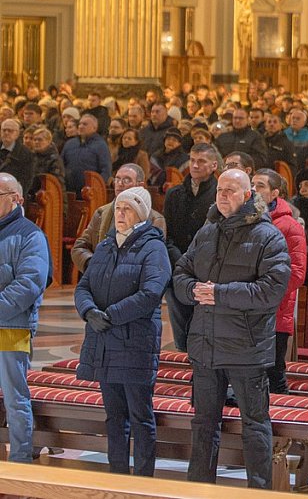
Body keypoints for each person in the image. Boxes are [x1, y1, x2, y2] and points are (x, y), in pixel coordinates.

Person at [173, 169, 291, 489]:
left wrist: (220, 294)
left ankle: (259, 490)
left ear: (248, 195)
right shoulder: (207, 231)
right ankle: (198, 489)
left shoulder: (268, 236)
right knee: (203, 423)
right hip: (206, 344)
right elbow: (180, 273)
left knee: (254, 423)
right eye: (220, 190)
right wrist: (193, 290)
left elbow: (271, 291)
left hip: (245, 347)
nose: (223, 195)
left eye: (230, 190)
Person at [74, 187, 170, 476]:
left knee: (140, 417)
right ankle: (116, 479)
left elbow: (151, 293)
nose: (120, 213)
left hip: (134, 344)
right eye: (117, 208)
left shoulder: (153, 247)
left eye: (127, 209)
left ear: (141, 213)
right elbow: (83, 286)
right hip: (104, 342)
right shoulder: (104, 246)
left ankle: (142, 483)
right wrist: (89, 311)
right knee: (114, 418)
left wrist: (111, 315)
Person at [0, 173, 50, 462]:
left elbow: (30, 283)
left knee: (14, 396)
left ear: (15, 199)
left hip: (13, 327)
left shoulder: (30, 234)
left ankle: (20, 461)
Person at [252, 169, 307, 394]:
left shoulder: (289, 226)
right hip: (246, 310)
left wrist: (263, 293)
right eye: (252, 184)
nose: (254, 189)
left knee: (273, 372)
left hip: (274, 311)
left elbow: (296, 273)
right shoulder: (244, 220)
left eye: (261, 186)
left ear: (275, 193)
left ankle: (279, 422)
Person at [163, 144, 219, 351]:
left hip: (208, 265)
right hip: (179, 263)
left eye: (201, 161)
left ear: (214, 165)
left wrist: (195, 263)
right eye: (192, 160)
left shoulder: (219, 194)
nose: (195, 165)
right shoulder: (174, 194)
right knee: (173, 293)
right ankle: (182, 348)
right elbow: (167, 236)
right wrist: (180, 262)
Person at [72, 164, 166, 273]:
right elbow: (79, 247)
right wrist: (92, 263)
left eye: (127, 180)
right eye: (117, 179)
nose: (120, 184)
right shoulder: (101, 213)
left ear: (140, 185)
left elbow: (153, 259)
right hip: (100, 279)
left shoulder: (155, 219)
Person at [61, 114, 112, 196]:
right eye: (80, 124)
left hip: (90, 193)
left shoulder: (101, 145)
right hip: (69, 191)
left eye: (85, 124)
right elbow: (61, 165)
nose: (81, 126)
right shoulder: (70, 143)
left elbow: (106, 170)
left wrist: (95, 187)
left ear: (94, 128)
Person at [0, 119, 34, 195]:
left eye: (10, 131)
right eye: (4, 130)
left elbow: (26, 180)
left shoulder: (25, 154)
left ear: (17, 134)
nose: (6, 133)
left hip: (13, 196)